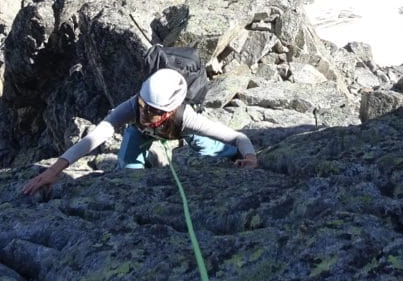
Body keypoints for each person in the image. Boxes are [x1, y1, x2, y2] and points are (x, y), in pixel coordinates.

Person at [22, 69, 258, 195]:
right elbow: (95, 137)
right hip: (141, 135)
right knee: (128, 174)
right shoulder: (132, 107)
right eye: (143, 106)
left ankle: (229, 156)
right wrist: (54, 170)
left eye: (153, 111)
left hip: (180, 131)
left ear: (169, 111)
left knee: (209, 147)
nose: (144, 114)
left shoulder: (186, 118)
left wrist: (248, 157)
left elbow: (239, 137)